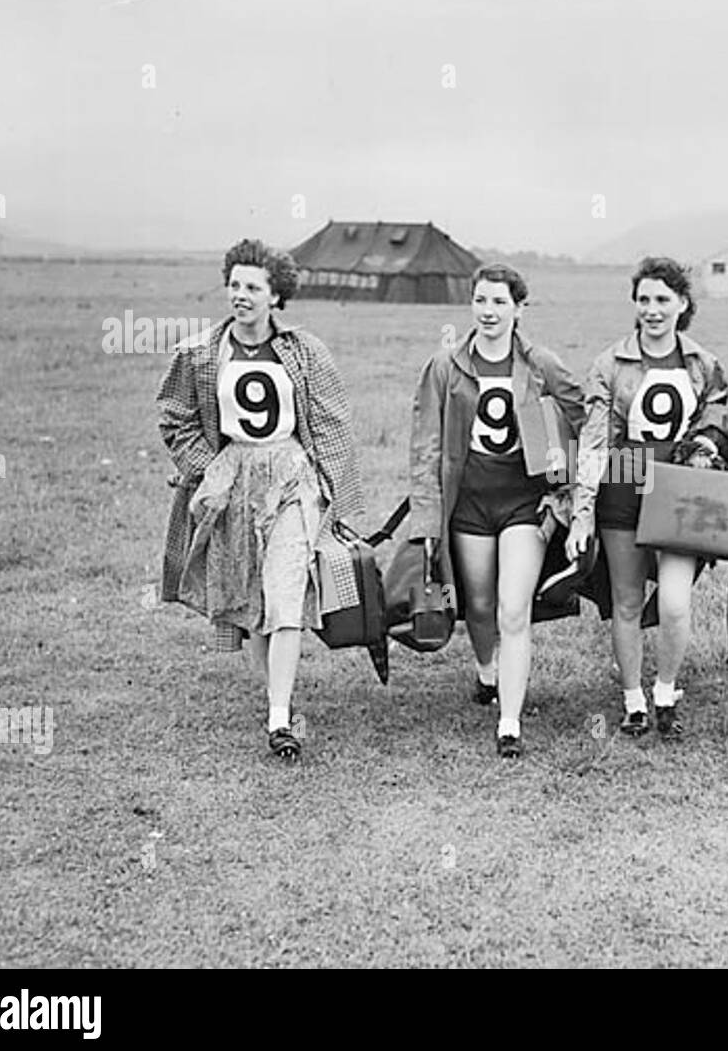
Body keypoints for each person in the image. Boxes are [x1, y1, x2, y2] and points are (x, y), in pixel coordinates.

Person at [158, 238, 365, 762]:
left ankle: (279, 721)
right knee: (250, 598)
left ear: (277, 296)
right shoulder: (200, 353)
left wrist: (331, 495)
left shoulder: (305, 351)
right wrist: (208, 471)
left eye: (253, 287)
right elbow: (175, 418)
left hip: (291, 477)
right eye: (235, 285)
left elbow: (333, 425)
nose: (241, 296)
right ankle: (278, 698)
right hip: (233, 480)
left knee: (287, 590)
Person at [409, 264, 585, 758]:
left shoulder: (541, 364)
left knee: (513, 609)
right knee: (479, 605)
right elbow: (425, 445)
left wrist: (565, 488)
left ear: (519, 309)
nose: (489, 311)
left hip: (524, 503)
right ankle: (487, 672)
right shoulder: (446, 366)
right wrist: (426, 517)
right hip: (468, 503)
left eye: (499, 302)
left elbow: (585, 423)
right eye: (481, 301)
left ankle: (509, 722)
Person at [565, 257, 728, 738]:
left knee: (676, 603)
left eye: (663, 299)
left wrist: (704, 448)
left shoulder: (704, 364)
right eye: (644, 299)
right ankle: (633, 700)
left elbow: (719, 423)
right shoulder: (608, 363)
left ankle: (665, 689)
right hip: (624, 483)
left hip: (679, 491)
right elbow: (595, 442)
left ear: (683, 304)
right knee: (627, 600)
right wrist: (583, 514)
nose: (652, 309)